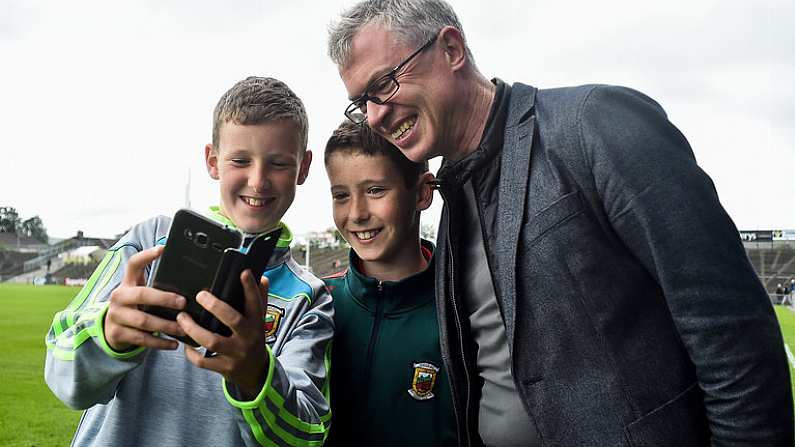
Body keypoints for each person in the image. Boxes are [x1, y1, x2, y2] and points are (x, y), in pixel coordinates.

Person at [327, 1, 793, 445]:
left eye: (384, 84)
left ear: (451, 49)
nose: (374, 115)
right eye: (361, 102)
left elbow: (732, 330)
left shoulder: (592, 125)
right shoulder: (453, 199)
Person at [44, 77, 333, 447]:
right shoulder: (149, 244)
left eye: (278, 163)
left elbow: (306, 436)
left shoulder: (308, 298)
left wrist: (256, 374)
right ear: (213, 162)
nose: (258, 181)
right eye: (240, 160)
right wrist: (108, 333)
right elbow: (60, 370)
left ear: (304, 167)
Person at [321, 120, 457, 446]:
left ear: (423, 192)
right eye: (341, 195)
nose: (357, 213)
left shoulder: (464, 308)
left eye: (375, 190)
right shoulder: (316, 303)